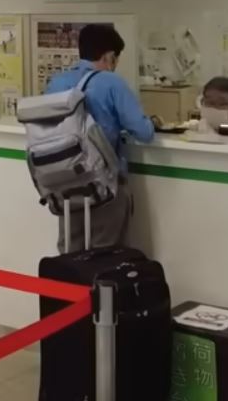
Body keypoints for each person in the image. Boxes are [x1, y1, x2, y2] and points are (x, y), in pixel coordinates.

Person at [43, 24, 155, 249]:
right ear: (109, 56)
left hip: (66, 181)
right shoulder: (111, 82)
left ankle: (68, 285)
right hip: (104, 182)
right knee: (106, 249)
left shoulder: (57, 82)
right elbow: (144, 132)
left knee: (70, 247)